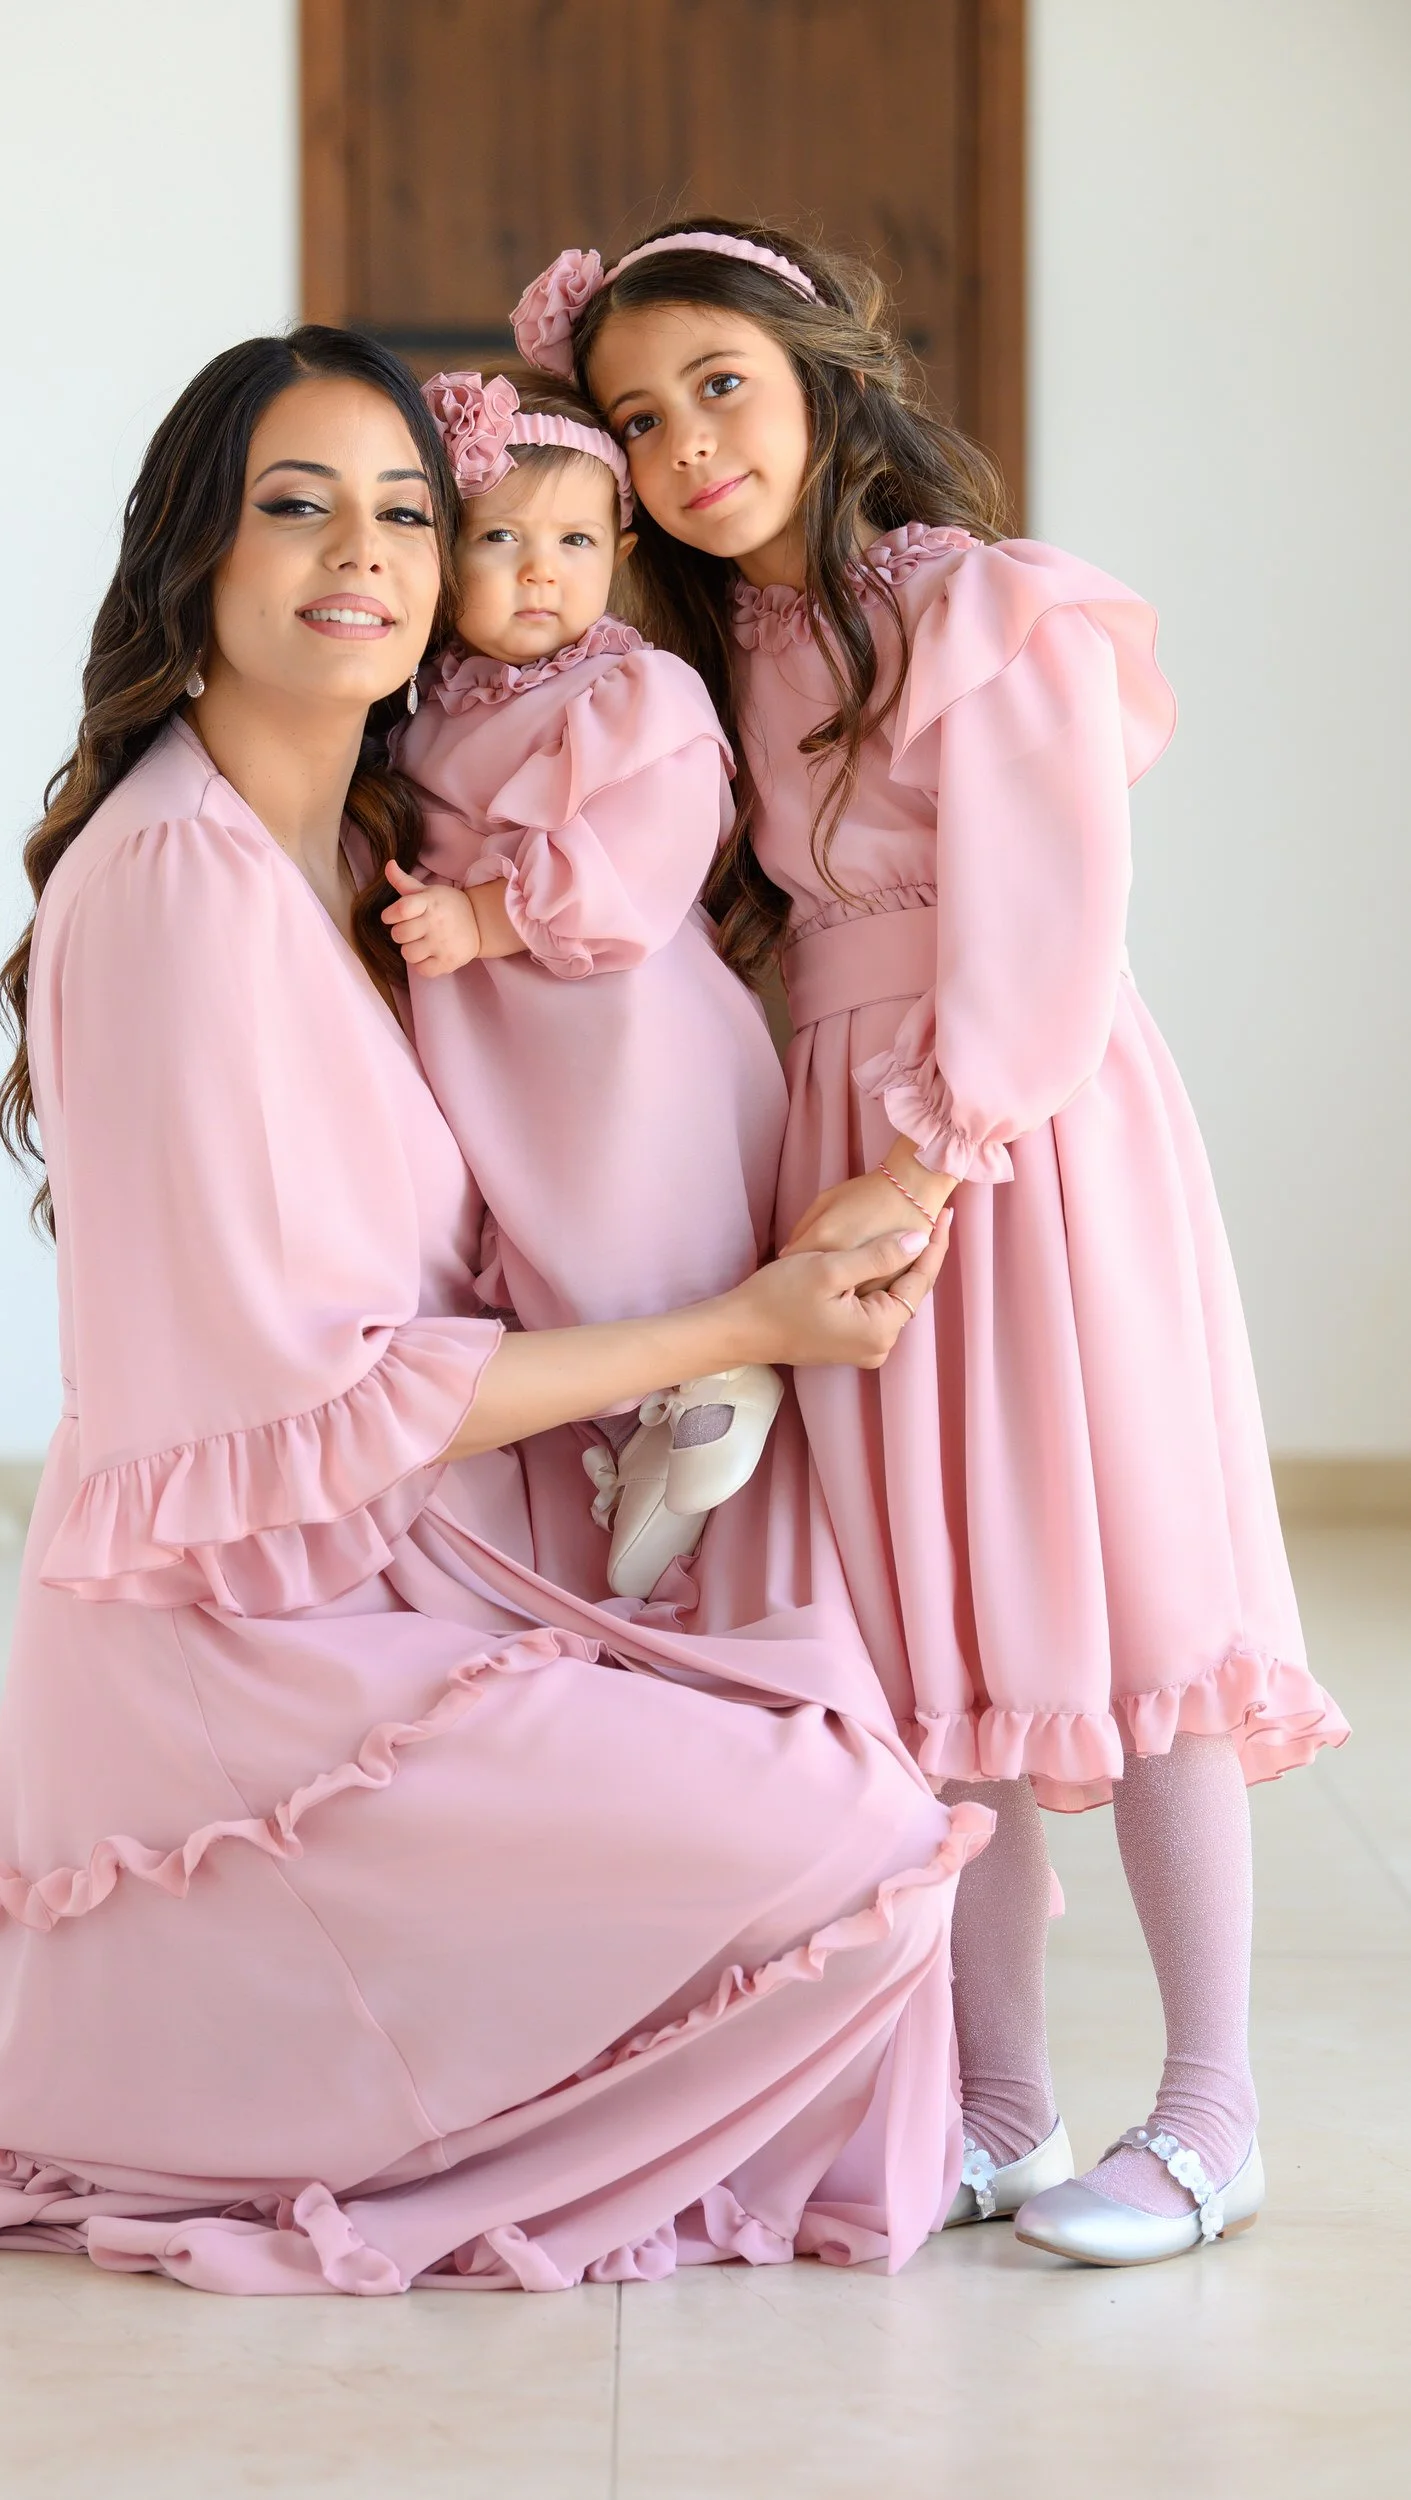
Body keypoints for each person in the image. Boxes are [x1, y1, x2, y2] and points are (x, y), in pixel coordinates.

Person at [0, 324, 984, 2296]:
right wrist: (743, 1326)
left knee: (840, 1744)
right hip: (252, 1676)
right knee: (855, 1848)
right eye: (294, 504)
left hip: (385, 1588)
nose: (359, 549)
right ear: (193, 558)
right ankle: (341, 2091)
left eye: (403, 513)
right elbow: (315, 1394)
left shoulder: (361, 853)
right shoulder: (177, 881)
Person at [510, 219, 1351, 2265]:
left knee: (1116, 1594)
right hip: (829, 1135)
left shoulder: (977, 609)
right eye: (637, 414)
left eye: (718, 382)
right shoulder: (711, 659)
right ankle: (990, 2103)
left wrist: (934, 1145)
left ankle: (1208, 2112)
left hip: (1018, 1134)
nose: (688, 440)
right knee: (918, 1639)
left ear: (814, 373)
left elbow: (1048, 916)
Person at [386, 367, 787, 1597]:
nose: (537, 571)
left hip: (616, 1019)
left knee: (634, 1202)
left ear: (618, 547)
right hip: (495, 1038)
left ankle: (710, 1386)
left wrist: (488, 911)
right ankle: (629, 1429)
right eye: (498, 539)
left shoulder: (631, 691)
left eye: (569, 540)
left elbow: (644, 860)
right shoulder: (417, 711)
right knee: (541, 1231)